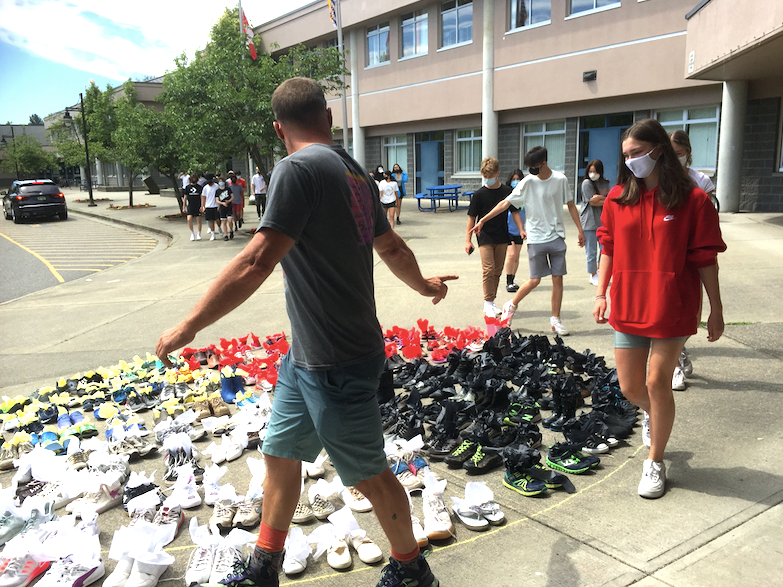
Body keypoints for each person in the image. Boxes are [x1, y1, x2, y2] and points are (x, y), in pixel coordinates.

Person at [155, 77, 454, 587]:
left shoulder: (294, 170)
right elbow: (393, 249)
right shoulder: (354, 172)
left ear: (277, 129)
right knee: (280, 451)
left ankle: (411, 569)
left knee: (368, 472)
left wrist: (188, 326)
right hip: (307, 357)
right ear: (329, 118)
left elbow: (255, 261)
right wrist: (424, 284)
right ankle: (264, 566)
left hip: (337, 360)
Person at [593, 118, 725, 499]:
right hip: (629, 302)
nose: (632, 161)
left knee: (657, 382)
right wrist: (601, 293)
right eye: (626, 156)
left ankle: (655, 461)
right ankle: (657, 415)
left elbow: (706, 260)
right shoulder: (618, 198)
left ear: (659, 150)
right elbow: (608, 248)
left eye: (638, 153)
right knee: (630, 386)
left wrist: (715, 309)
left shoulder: (693, 200)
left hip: (673, 304)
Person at [471, 146, 585, 335]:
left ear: (543, 163)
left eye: (534, 166)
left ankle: (555, 319)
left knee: (558, 279)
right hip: (536, 238)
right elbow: (505, 203)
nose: (531, 170)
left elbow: (571, 205)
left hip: (557, 236)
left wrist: (580, 230)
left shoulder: (560, 180)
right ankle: (511, 305)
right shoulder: (527, 182)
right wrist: (483, 219)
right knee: (534, 280)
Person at [668, 130, 718, 391]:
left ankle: (680, 347)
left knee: (692, 316)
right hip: (667, 258)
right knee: (670, 314)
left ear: (688, 153)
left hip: (692, 258)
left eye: (679, 153)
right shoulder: (660, 180)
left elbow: (708, 221)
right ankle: (675, 365)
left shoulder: (701, 181)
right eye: (670, 154)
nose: (675, 159)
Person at [465, 157, 522, 318]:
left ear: (497, 173)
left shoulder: (506, 192)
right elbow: (471, 218)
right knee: (488, 270)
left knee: (497, 271)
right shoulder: (479, 195)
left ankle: (492, 301)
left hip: (502, 235)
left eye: (490, 176)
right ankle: (487, 302)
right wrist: (467, 240)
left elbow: (515, 211)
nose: (488, 179)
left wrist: (521, 229)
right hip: (484, 236)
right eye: (485, 176)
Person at [580, 159, 610, 286]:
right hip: (589, 222)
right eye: (590, 171)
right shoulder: (586, 183)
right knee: (591, 251)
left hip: (603, 221)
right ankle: (592, 275)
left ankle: (599, 271)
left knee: (605, 249)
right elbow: (592, 202)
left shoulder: (605, 183)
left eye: (595, 171)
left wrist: (601, 199)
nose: (593, 173)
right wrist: (606, 199)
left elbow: (611, 200)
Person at [503, 169, 527, 292]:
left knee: (516, 257)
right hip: (508, 229)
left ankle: (512, 280)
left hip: (520, 230)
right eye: (513, 179)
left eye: (518, 179)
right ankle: (508, 281)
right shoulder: (508, 194)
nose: (515, 181)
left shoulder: (524, 195)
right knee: (511, 255)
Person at [182, 174, 203, 241]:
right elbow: (185, 198)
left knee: (198, 219)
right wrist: (183, 207)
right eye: (192, 178)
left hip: (198, 205)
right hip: (190, 205)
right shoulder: (187, 187)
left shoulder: (199, 187)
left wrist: (202, 206)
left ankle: (199, 233)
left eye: (195, 178)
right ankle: (192, 233)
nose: (193, 179)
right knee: (189, 219)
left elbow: (202, 197)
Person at [201, 174, 220, 240]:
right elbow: (203, 197)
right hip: (208, 206)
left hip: (216, 205)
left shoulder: (217, 186)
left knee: (218, 220)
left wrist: (219, 205)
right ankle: (213, 234)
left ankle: (219, 227)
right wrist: (203, 206)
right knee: (211, 220)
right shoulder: (205, 188)